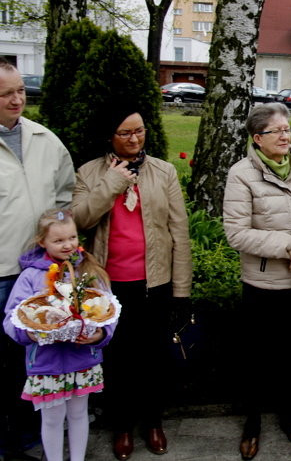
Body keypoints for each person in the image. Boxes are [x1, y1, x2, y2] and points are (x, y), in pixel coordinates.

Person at [71, 108, 192, 460]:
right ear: (109, 135)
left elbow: (178, 233)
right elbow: (79, 220)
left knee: (153, 357)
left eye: (139, 131)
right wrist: (111, 184)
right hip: (108, 285)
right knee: (117, 359)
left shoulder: (163, 171)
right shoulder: (90, 172)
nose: (135, 139)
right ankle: (121, 426)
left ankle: (153, 422)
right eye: (125, 133)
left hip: (154, 282)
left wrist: (181, 290)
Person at [223, 103, 291, 459]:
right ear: (257, 138)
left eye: (288, 129)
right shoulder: (241, 174)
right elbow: (236, 233)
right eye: (276, 131)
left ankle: (289, 417)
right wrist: (287, 246)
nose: (285, 136)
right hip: (262, 285)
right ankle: (252, 422)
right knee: (257, 357)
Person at [0, 57, 74, 457]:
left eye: (21, 91)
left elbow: (65, 194)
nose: (17, 100)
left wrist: (57, 241)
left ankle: (29, 438)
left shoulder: (45, 139)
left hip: (42, 273)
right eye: (7, 94)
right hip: (1, 276)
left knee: (36, 361)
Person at [3, 209, 117, 461]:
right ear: (42, 241)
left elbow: (108, 308)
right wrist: (31, 335)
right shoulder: (31, 275)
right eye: (58, 240)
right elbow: (12, 316)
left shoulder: (89, 270)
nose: (67, 245)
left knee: (78, 414)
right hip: (46, 361)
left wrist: (99, 335)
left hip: (82, 359)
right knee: (52, 418)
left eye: (72, 238)